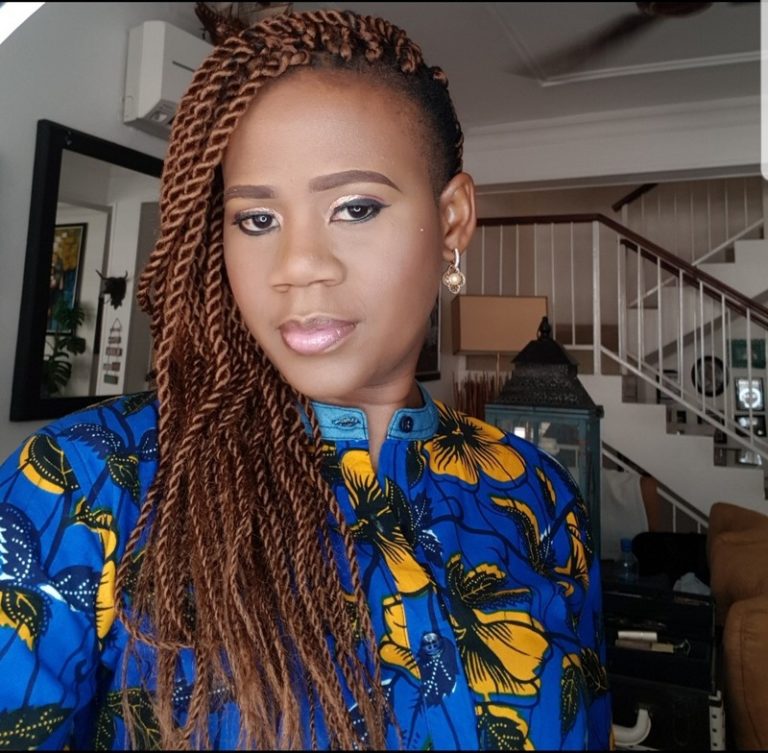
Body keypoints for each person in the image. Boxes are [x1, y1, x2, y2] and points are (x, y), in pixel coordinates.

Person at [0, 8, 612, 750]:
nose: (296, 267)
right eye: (257, 219)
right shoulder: (86, 481)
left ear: (453, 219)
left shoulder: (538, 496)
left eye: (355, 207)